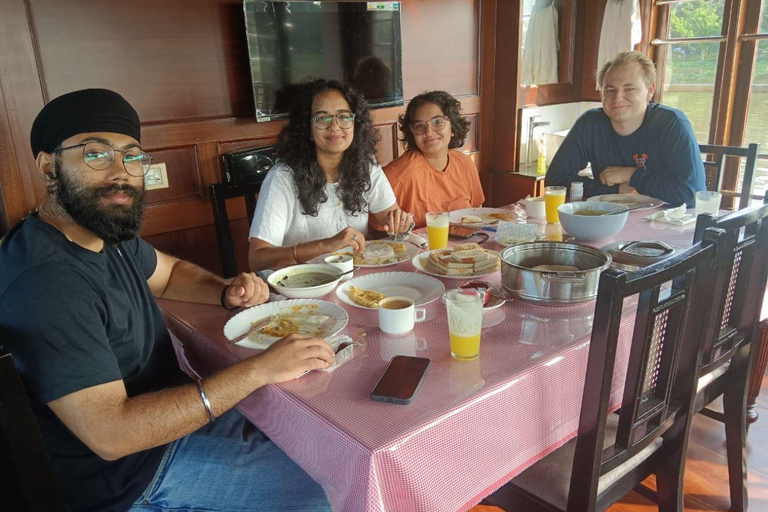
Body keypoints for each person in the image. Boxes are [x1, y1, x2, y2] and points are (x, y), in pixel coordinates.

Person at [0, 89, 335, 512]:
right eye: (96, 154)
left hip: (175, 417)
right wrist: (258, 371)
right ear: (49, 166)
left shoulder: (102, 230)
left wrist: (223, 290)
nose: (120, 172)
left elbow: (171, 273)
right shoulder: (46, 280)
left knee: (317, 440)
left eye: (132, 156)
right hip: (133, 476)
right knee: (321, 490)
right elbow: (112, 434)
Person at [248, 79, 411, 271]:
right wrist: (326, 245)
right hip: (299, 287)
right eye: (322, 118)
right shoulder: (283, 178)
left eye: (343, 116)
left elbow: (391, 219)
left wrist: (398, 223)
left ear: (355, 124)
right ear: (307, 129)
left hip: (353, 277)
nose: (334, 126)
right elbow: (257, 258)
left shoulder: (366, 167)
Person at [545, 51, 705, 207]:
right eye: (610, 90)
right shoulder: (590, 124)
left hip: (663, 226)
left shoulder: (672, 123)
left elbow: (691, 194)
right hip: (606, 221)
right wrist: (617, 189)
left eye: (629, 89)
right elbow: (555, 181)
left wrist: (630, 175)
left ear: (650, 91)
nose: (617, 98)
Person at [383, 91, 485, 229]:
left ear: (453, 126)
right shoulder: (398, 174)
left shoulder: (465, 163)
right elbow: (379, 229)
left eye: (438, 122)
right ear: (412, 134)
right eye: (419, 126)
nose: (429, 132)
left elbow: (476, 212)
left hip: (465, 245)